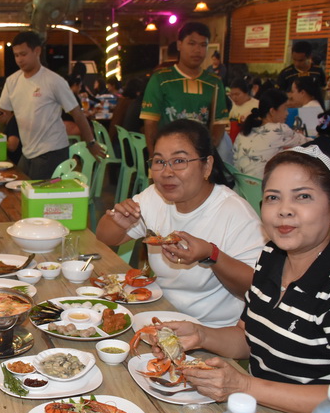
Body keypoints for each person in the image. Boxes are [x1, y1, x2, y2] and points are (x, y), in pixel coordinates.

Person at [153, 147, 330, 413]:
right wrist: (200, 335)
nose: (284, 210)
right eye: (273, 198)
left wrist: (244, 386)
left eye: (303, 196)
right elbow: (248, 338)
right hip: (259, 412)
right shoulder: (272, 255)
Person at [96, 119, 264, 327]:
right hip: (158, 314)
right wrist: (118, 222)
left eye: (179, 161)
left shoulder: (235, 212)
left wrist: (211, 255)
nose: (167, 172)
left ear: (207, 166)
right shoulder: (154, 197)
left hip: (211, 329)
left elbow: (257, 288)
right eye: (159, 162)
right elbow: (105, 237)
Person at [0, 31, 99, 179]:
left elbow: (78, 114)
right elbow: (5, 116)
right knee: (21, 187)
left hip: (52, 150)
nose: (19, 59)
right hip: (27, 151)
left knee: (32, 191)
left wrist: (91, 143)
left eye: (23, 54)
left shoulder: (54, 81)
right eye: (16, 55)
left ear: (37, 51)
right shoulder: (12, 81)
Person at [140, 22, 228, 156]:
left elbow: (219, 122)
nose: (197, 50)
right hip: (168, 155)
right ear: (179, 45)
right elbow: (150, 124)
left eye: (203, 45)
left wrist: (207, 151)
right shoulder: (161, 79)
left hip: (199, 157)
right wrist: (155, 159)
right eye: (192, 44)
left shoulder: (214, 82)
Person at [233, 88, 307, 178]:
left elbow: (235, 162)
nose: (287, 113)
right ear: (272, 111)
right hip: (265, 185)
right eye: (285, 109)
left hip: (241, 185)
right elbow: (306, 142)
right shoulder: (279, 129)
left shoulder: (243, 132)